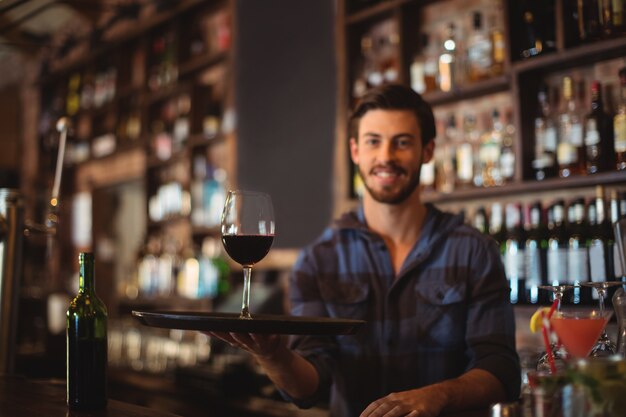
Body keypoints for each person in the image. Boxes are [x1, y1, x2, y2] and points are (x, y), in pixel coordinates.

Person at [209, 84, 521, 417]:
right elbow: (310, 387)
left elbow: (501, 370)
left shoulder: (474, 251)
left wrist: (438, 396)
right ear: (355, 151)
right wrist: (274, 356)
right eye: (374, 141)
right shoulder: (318, 261)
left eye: (402, 142)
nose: (386, 156)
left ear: (427, 151)